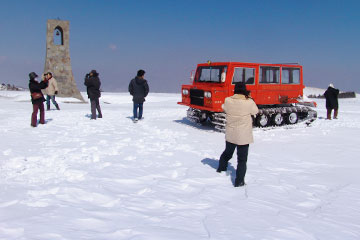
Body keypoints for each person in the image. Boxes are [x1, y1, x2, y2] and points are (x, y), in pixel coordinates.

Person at [217, 82, 259, 187]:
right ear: (244, 90)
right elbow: (255, 111)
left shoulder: (228, 100)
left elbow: (224, 107)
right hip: (243, 136)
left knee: (227, 153)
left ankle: (221, 168)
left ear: (234, 90)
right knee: (242, 160)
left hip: (231, 133)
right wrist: (250, 98)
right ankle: (239, 182)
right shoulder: (249, 102)